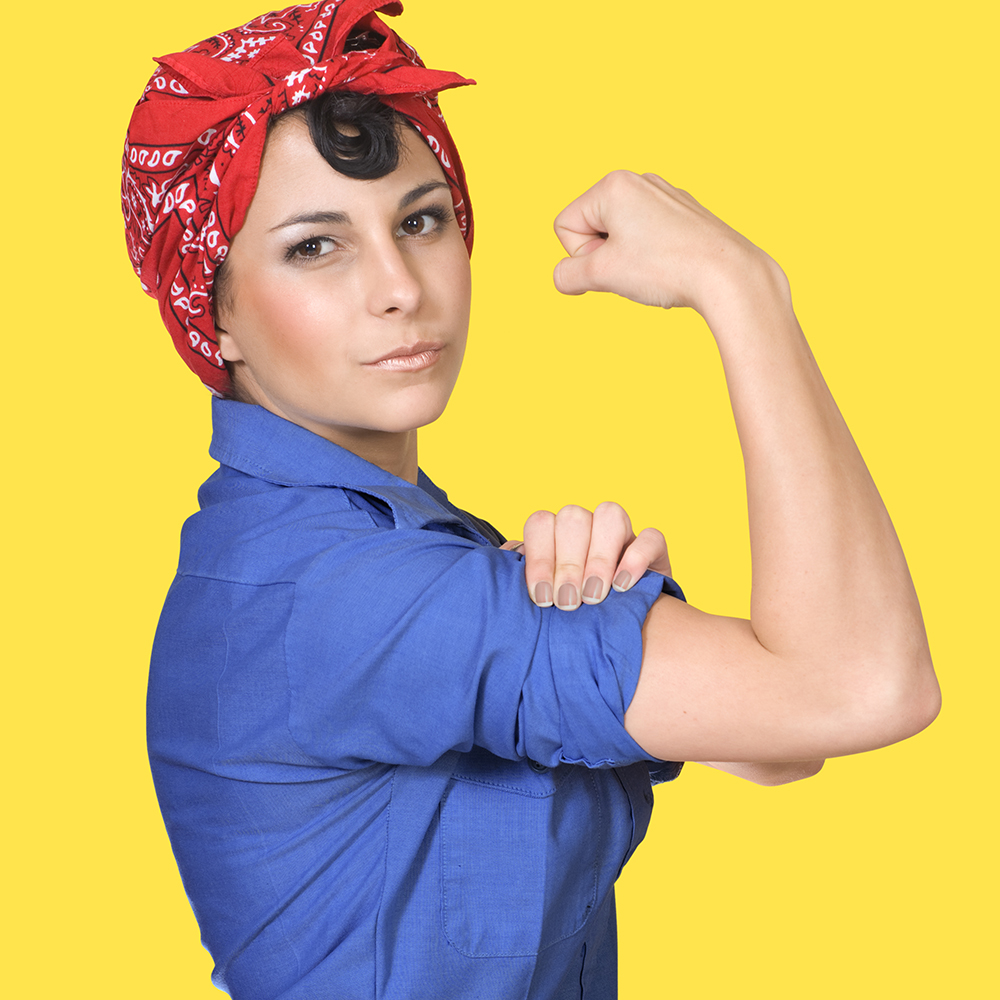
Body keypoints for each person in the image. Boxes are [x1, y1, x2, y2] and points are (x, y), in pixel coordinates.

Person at [122, 2, 940, 997]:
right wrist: (743, 287)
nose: (399, 287)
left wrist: (621, 612)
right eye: (314, 247)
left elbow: (780, 743)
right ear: (218, 316)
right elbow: (858, 685)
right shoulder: (335, 589)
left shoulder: (387, 544)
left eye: (419, 221)